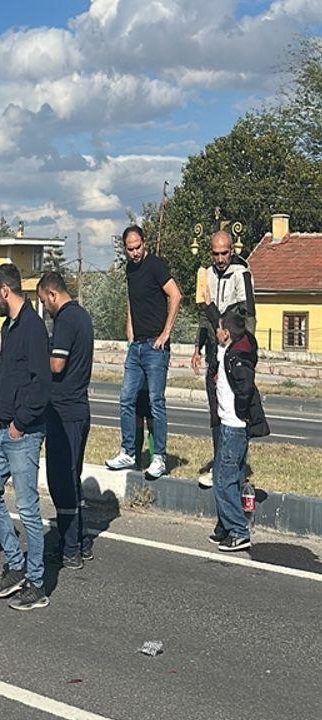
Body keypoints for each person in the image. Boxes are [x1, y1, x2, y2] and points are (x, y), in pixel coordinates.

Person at [0, 263, 52, 611]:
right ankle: (16, 563)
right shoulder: (11, 326)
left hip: (23, 431)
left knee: (27, 507)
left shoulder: (33, 329)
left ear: (5, 291)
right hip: (3, 428)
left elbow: (42, 384)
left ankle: (37, 584)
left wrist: (21, 423)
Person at [106, 225, 183, 479]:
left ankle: (158, 456)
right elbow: (133, 299)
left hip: (155, 347)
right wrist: (129, 328)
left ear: (144, 243)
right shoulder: (129, 269)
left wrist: (165, 333)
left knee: (156, 402)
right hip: (136, 346)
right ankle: (129, 451)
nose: (135, 253)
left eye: (138, 247)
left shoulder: (156, 266)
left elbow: (176, 295)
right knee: (126, 398)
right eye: (130, 249)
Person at [37, 271, 94, 570]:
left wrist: (37, 361)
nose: (44, 308)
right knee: (73, 477)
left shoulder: (66, 320)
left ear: (52, 294)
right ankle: (80, 540)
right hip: (79, 408)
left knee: (63, 481)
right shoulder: (82, 316)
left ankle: (70, 548)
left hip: (65, 411)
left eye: (44, 301)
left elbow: (57, 364)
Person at [192, 230, 257, 489]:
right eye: (216, 253)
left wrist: (244, 355)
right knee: (216, 414)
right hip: (213, 352)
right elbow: (204, 318)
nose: (220, 258)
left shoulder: (242, 274)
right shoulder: (206, 274)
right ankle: (220, 463)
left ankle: (235, 468)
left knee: (236, 414)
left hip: (235, 354)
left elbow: (247, 318)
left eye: (225, 253)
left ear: (232, 251)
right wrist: (198, 347)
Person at [209, 304, 269, 552]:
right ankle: (225, 526)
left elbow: (245, 388)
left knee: (223, 480)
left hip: (235, 425)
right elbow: (220, 319)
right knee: (227, 476)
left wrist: (241, 416)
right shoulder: (231, 346)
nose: (216, 330)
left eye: (219, 328)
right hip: (227, 424)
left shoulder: (239, 355)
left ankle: (238, 530)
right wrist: (208, 303)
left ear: (226, 333)